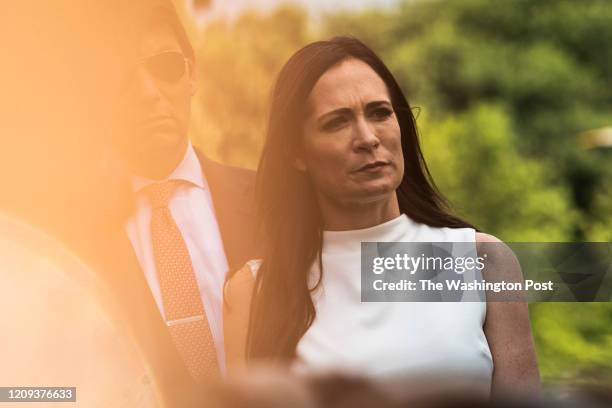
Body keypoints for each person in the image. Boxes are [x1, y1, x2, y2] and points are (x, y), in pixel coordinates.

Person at [224, 37, 540, 397]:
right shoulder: (253, 291)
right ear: (296, 153)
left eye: (379, 113)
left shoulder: (484, 261)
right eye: (337, 122)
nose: (367, 138)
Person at [107, 0, 257, 398]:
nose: (147, 92)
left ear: (192, 73)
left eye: (165, 66)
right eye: (122, 76)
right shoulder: (76, 239)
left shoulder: (273, 202)